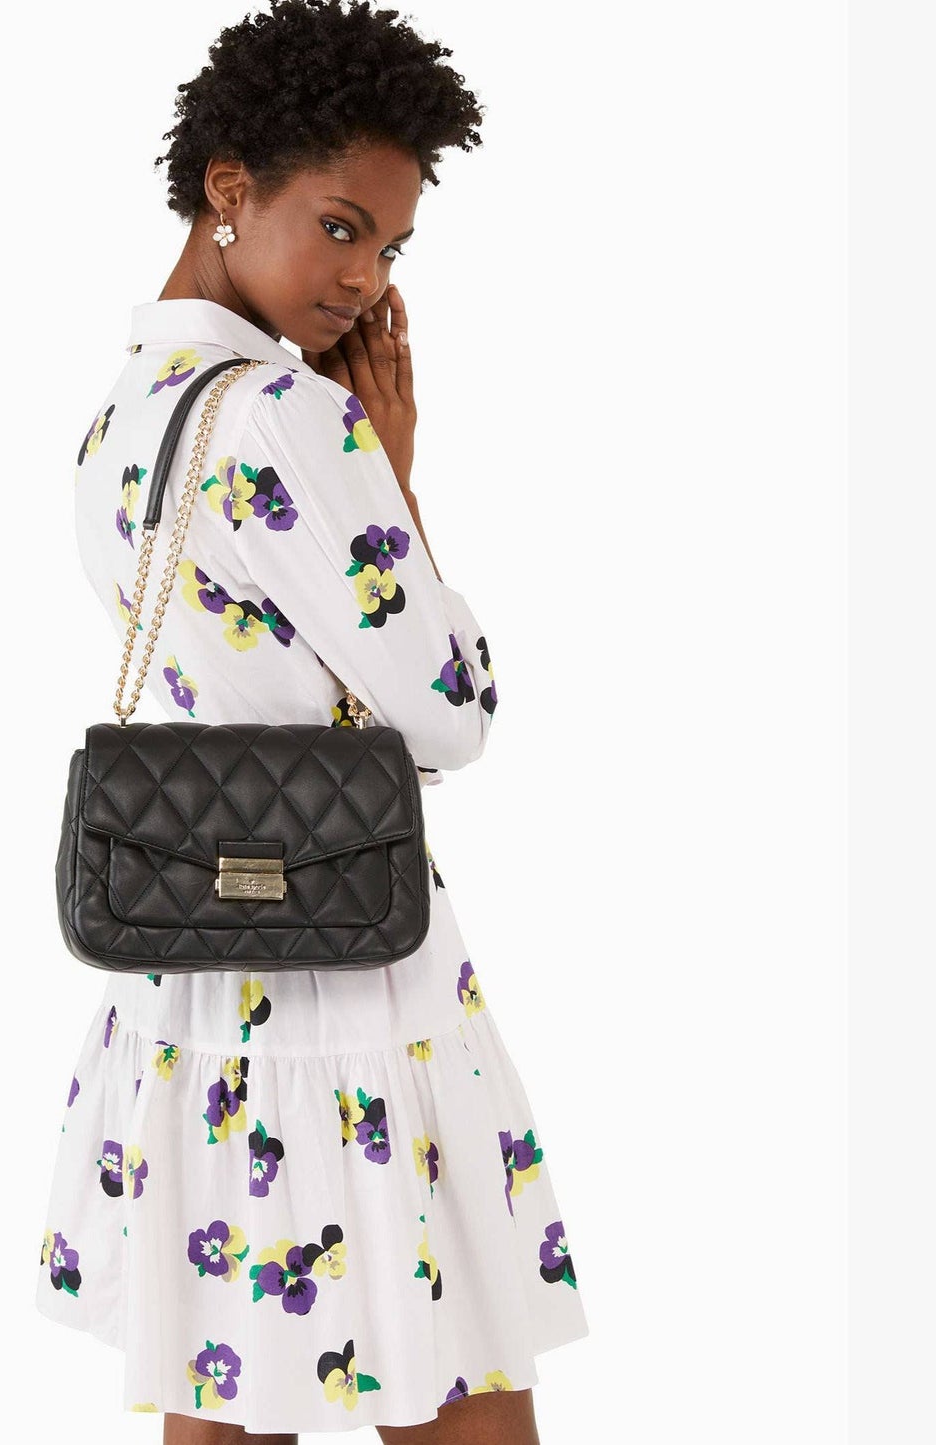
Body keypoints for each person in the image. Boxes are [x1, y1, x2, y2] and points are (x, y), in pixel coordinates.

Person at [35, 3, 588, 1438]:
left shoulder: (120, 413)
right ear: (228, 186)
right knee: (457, 1388)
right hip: (350, 983)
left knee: (219, 1390)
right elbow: (450, 713)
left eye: (391, 247)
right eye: (342, 227)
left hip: (190, 988)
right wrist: (394, 485)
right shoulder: (293, 416)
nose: (365, 278)